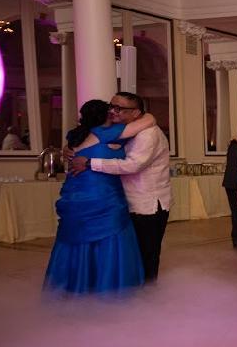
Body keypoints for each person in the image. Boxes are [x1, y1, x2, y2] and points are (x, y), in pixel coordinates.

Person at [44, 100, 154, 294]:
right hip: (102, 193)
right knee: (110, 235)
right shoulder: (107, 133)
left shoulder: (74, 135)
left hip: (75, 192)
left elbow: (70, 150)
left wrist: (66, 149)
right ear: (106, 115)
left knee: (75, 235)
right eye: (111, 110)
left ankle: (76, 283)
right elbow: (149, 120)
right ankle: (107, 284)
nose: (114, 112)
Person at [68, 92, 172, 283]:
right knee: (130, 254)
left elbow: (132, 165)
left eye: (119, 108)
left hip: (147, 204)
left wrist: (90, 162)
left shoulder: (148, 134)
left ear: (136, 113)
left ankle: (148, 295)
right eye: (112, 106)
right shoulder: (126, 130)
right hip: (126, 201)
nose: (113, 111)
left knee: (146, 253)